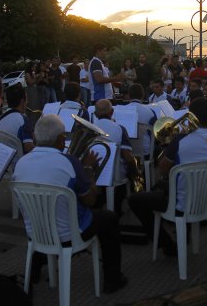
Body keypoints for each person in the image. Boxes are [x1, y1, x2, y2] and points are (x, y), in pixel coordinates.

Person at [12, 114, 128, 293]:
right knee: (110, 219)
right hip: (68, 234)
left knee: (47, 211)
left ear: (34, 138)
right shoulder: (70, 163)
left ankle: (34, 270)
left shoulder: (21, 163)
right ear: (60, 140)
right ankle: (113, 280)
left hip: (35, 232)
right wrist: (88, 168)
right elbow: (90, 200)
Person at [128, 97, 207, 255]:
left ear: (190, 116)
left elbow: (163, 170)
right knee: (163, 186)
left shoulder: (180, 140)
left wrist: (171, 145)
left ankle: (167, 244)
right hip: (205, 200)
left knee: (135, 200)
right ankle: (184, 235)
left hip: (180, 203)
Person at [93, 99, 138, 213]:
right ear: (112, 112)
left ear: (96, 113)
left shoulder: (89, 127)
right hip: (115, 175)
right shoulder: (119, 129)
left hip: (94, 173)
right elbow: (127, 156)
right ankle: (117, 207)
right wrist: (136, 174)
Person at [0, 84, 34, 154]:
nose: (27, 102)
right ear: (22, 102)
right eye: (27, 99)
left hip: (3, 157)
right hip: (18, 161)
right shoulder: (23, 120)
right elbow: (29, 148)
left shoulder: (0, 118)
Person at [128, 84, 157, 155]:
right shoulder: (151, 112)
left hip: (126, 150)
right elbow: (155, 133)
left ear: (129, 95)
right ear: (142, 95)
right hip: (145, 151)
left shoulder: (121, 111)